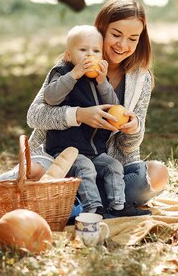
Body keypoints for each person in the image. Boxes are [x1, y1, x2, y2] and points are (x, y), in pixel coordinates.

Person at [0, 0, 169, 216]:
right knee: (34, 172)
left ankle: (71, 203)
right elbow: (35, 115)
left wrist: (133, 126)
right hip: (59, 161)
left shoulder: (140, 78)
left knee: (157, 174)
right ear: (101, 30)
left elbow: (129, 147)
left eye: (133, 38)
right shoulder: (70, 65)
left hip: (106, 168)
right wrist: (79, 115)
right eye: (116, 35)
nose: (123, 45)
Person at [42, 24, 149, 217]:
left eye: (96, 51)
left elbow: (114, 105)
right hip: (67, 150)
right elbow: (50, 98)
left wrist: (102, 82)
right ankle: (93, 208)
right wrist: (74, 74)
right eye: (83, 50)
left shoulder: (100, 79)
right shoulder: (62, 73)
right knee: (85, 167)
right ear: (69, 55)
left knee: (113, 166)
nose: (89, 55)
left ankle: (117, 206)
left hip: (94, 150)